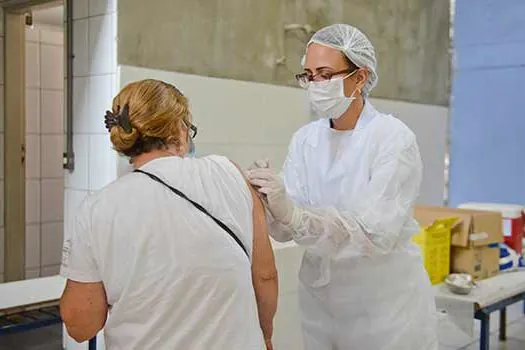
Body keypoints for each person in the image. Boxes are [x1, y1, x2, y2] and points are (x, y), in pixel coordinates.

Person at [247, 24, 437, 349]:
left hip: (385, 310)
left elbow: (373, 236)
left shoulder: (392, 138)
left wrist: (294, 215)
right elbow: (285, 231)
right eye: (308, 75)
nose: (315, 85)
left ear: (360, 77)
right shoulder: (306, 140)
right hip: (322, 305)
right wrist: (270, 202)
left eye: (325, 74)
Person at [60, 79, 278, 350]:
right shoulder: (229, 173)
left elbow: (81, 324)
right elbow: (265, 276)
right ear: (179, 128)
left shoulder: (97, 208)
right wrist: (265, 335)